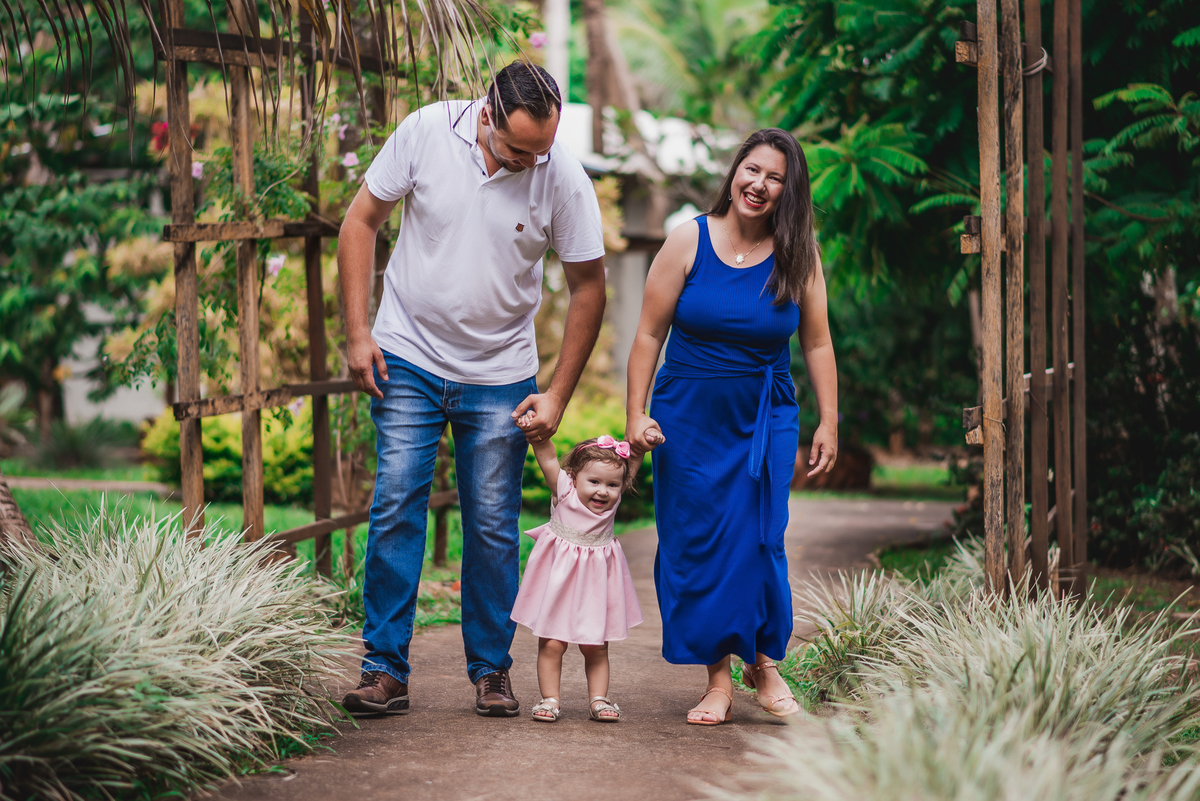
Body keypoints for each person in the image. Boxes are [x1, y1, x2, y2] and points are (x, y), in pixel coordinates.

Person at [337, 61, 607, 718]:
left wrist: (559, 395)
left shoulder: (560, 174)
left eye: (542, 148)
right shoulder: (427, 132)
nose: (533, 161)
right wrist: (356, 331)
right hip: (408, 355)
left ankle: (491, 668)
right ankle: (384, 668)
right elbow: (360, 221)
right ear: (486, 116)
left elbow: (590, 286)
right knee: (397, 503)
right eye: (521, 149)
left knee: (491, 526)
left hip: (500, 374)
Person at [624, 128, 838, 725]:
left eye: (775, 177)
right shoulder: (687, 240)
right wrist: (635, 413)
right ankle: (717, 676)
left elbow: (817, 343)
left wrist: (830, 421)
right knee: (696, 542)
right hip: (687, 415)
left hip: (764, 413)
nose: (759, 185)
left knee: (762, 537)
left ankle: (765, 664)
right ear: (734, 171)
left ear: (788, 190)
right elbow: (648, 333)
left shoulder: (799, 254)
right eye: (752, 170)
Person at [509, 426, 647, 722]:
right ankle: (550, 699)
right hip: (559, 581)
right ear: (573, 478)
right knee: (552, 642)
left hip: (597, 583)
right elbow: (547, 459)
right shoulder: (564, 490)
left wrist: (643, 446)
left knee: (596, 645)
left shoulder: (613, 499)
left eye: (612, 485)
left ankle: (599, 699)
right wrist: (539, 435)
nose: (602, 491)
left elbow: (632, 465)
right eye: (594, 481)